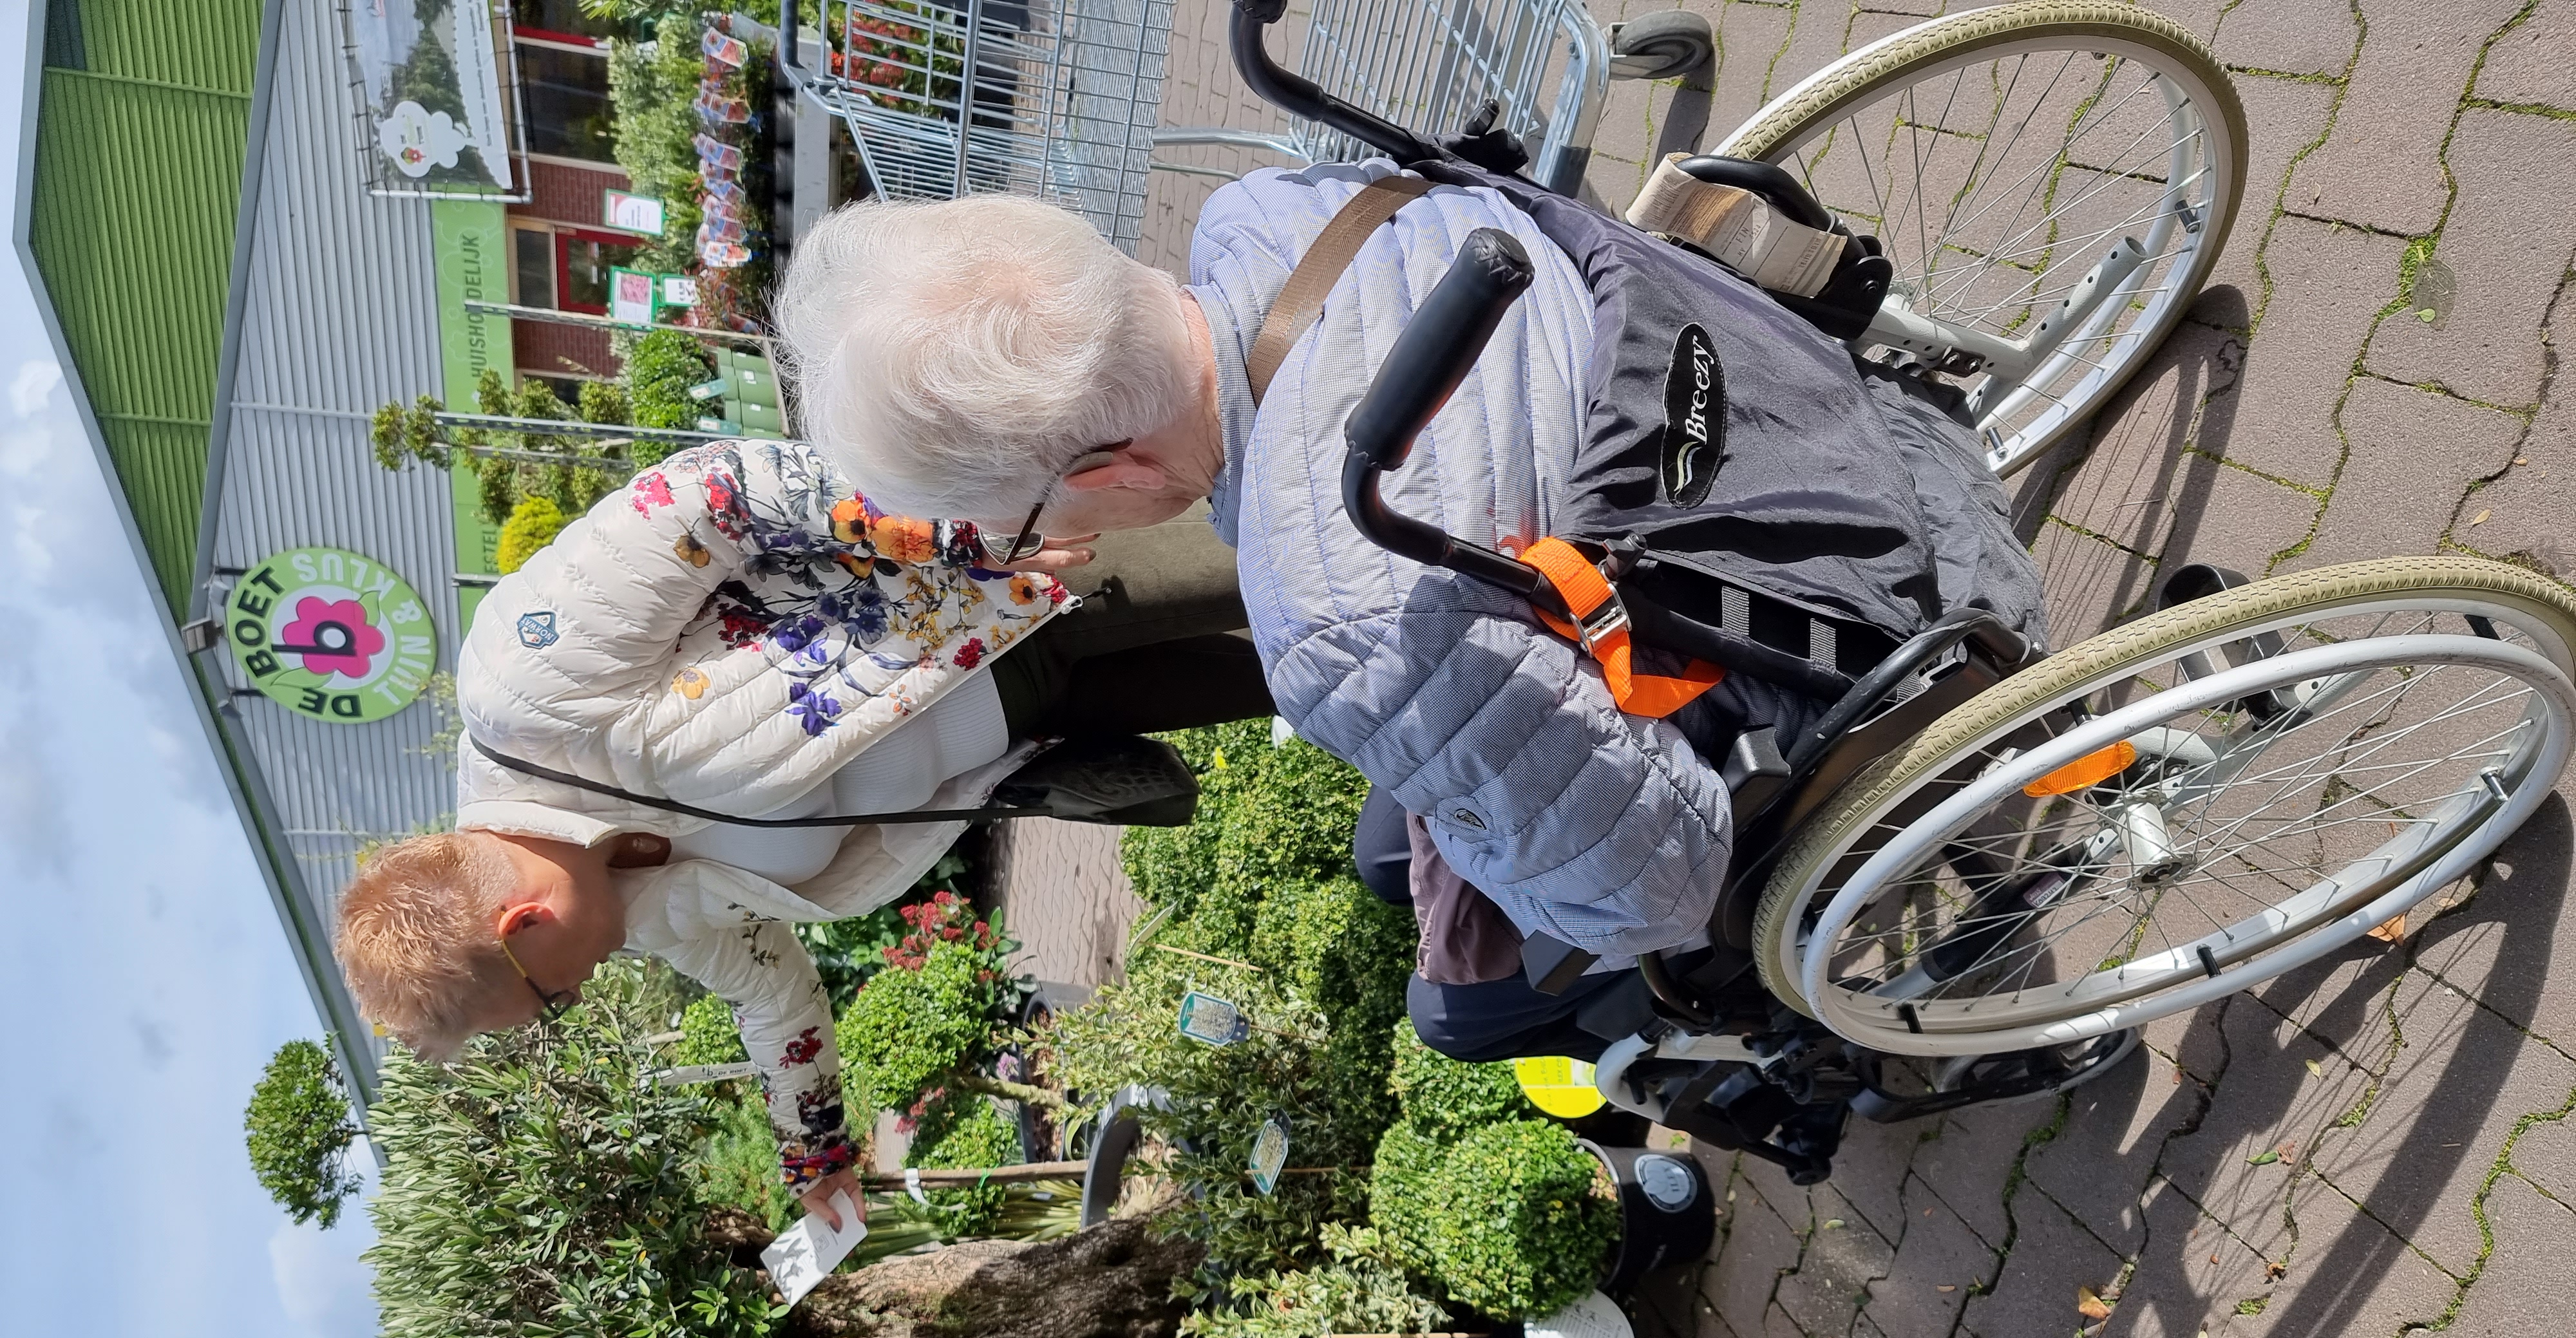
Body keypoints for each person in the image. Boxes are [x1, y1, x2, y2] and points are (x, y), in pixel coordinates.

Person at [772, 161, 2042, 1059]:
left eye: (1032, 512)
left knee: (1465, 1012)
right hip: (1801, 393)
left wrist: (1469, 832)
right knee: (1398, 849)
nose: (1052, 540)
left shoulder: (1333, 620)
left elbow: (1655, 884)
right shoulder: (1272, 209)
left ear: (1107, 471)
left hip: (1881, 630)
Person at [335, 438, 1265, 1228]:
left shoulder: (525, 685)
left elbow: (711, 495)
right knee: (1315, 655)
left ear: (523, 927)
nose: (578, 993)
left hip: (1018, 576)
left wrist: (952, 533)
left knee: (1302, 539)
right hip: (1046, 721)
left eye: (551, 999)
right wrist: (815, 1154)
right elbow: (771, 1002)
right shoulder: (651, 913)